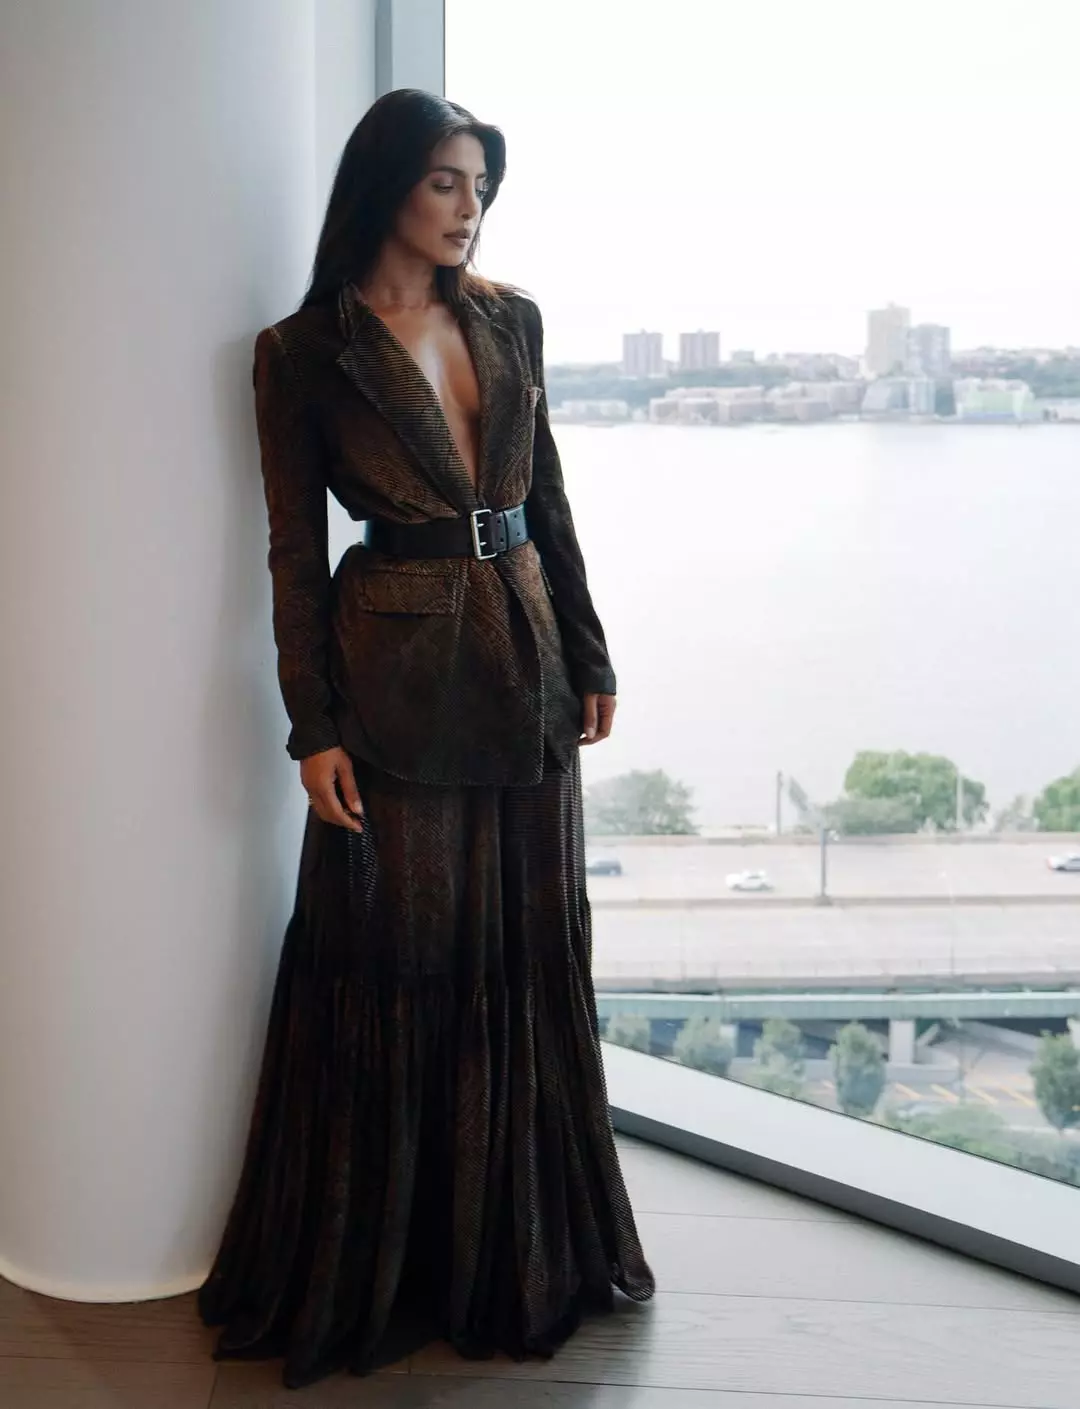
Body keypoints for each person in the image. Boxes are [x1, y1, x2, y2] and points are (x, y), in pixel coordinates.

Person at [196, 87, 655, 1391]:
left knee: (524, 945)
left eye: (481, 188)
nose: (469, 210)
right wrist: (312, 727)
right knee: (392, 952)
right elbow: (294, 552)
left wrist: (591, 651)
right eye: (448, 181)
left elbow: (546, 493)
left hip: (528, 654)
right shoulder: (305, 351)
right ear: (385, 184)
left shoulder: (511, 318)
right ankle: (386, 1263)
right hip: (389, 677)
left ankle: (517, 1250)